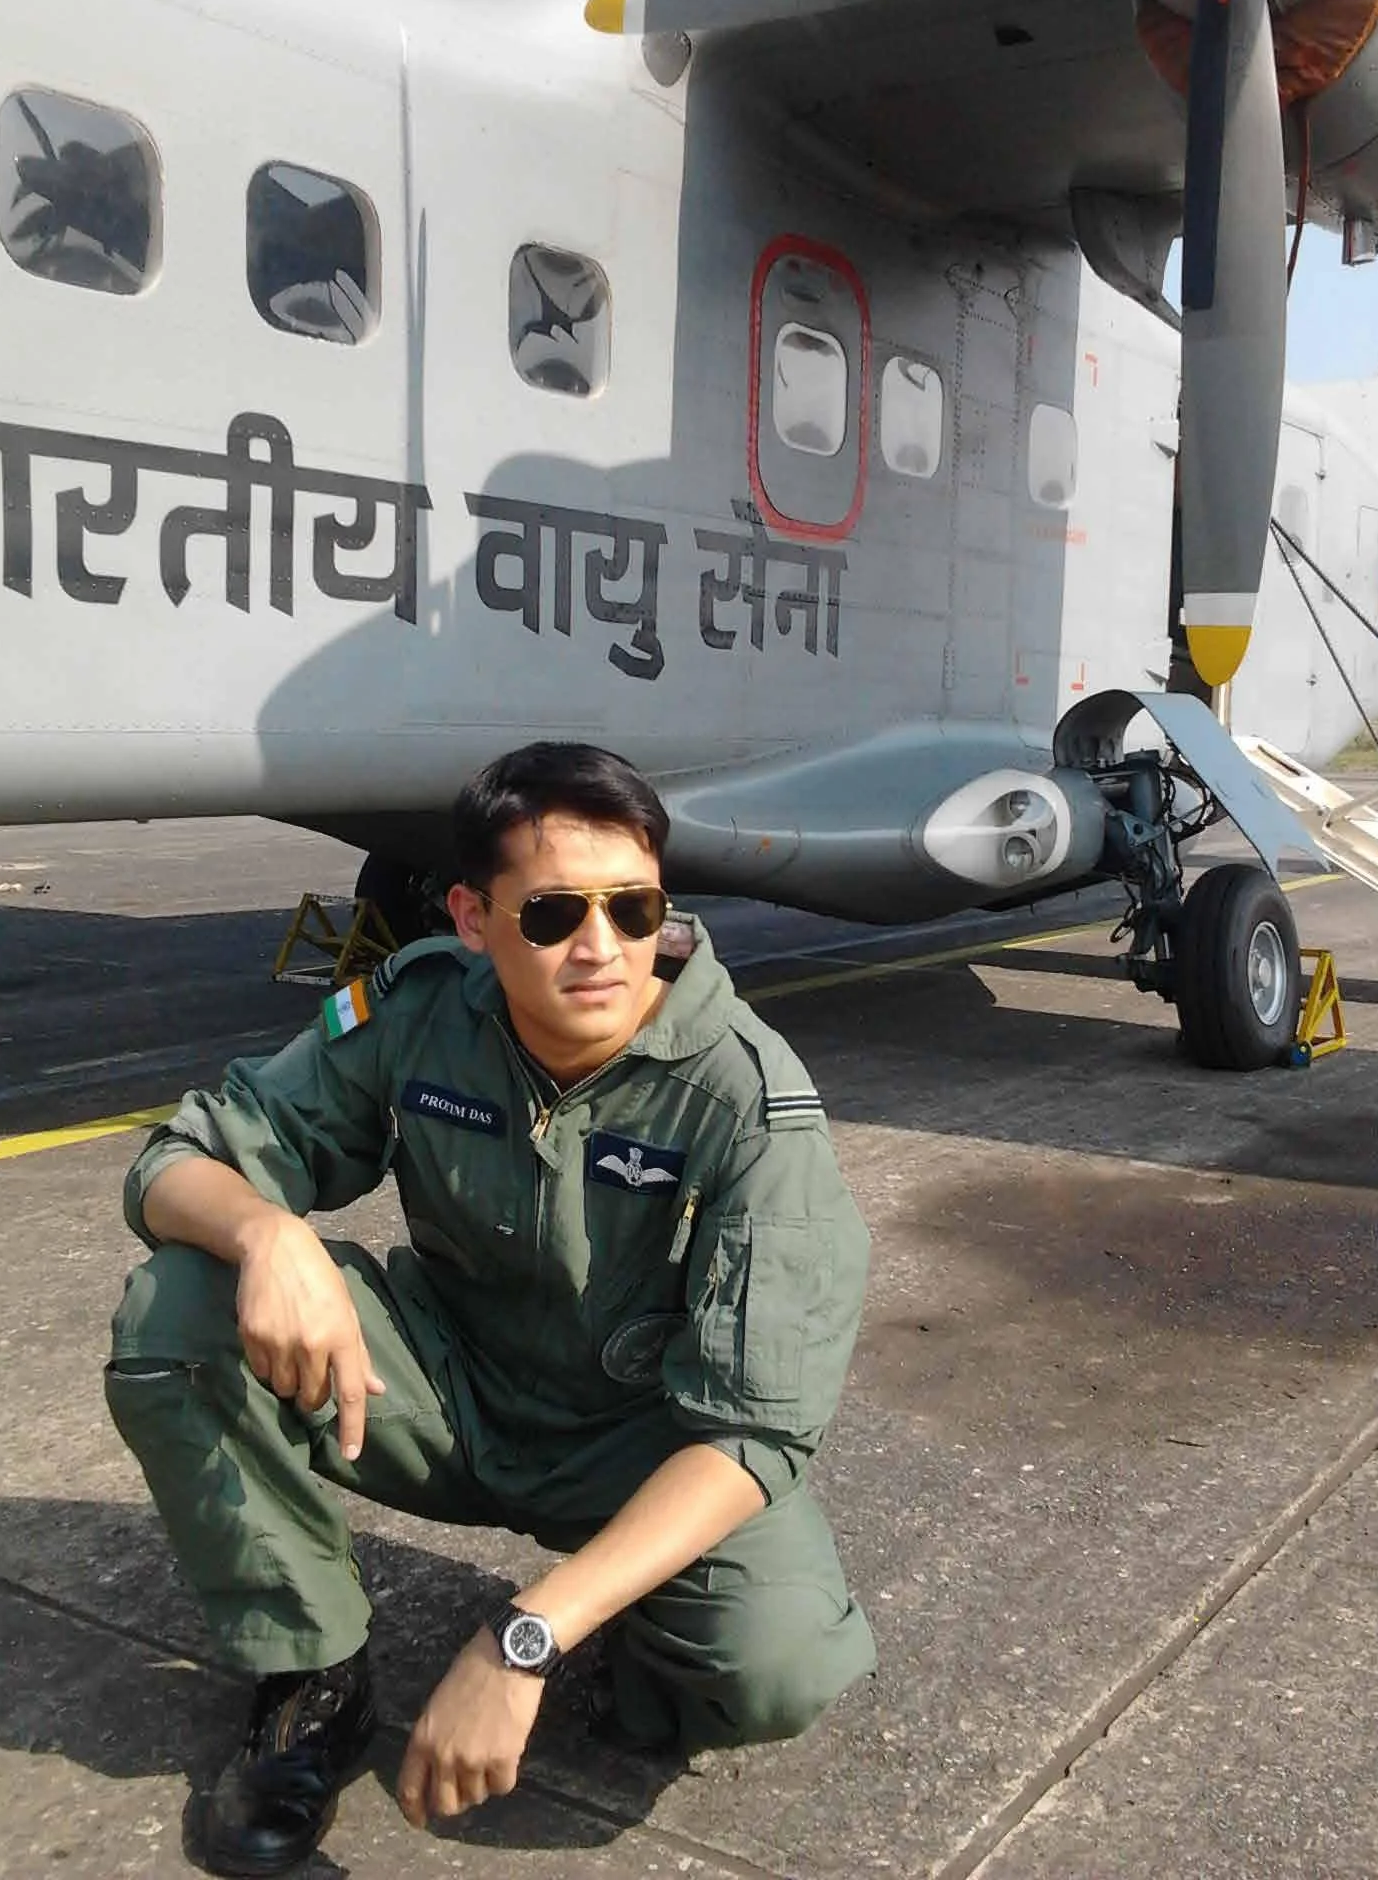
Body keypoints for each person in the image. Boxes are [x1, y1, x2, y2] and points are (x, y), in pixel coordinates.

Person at [105, 740, 876, 1877]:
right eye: (556, 911)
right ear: (473, 916)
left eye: (637, 907)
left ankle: (629, 1635)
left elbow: (754, 1432)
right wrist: (268, 1232)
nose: (602, 946)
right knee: (178, 1310)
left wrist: (528, 1635)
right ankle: (311, 1667)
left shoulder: (748, 1104)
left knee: (777, 1663)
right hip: (449, 1389)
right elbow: (183, 1155)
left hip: (642, 1440)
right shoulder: (423, 1008)